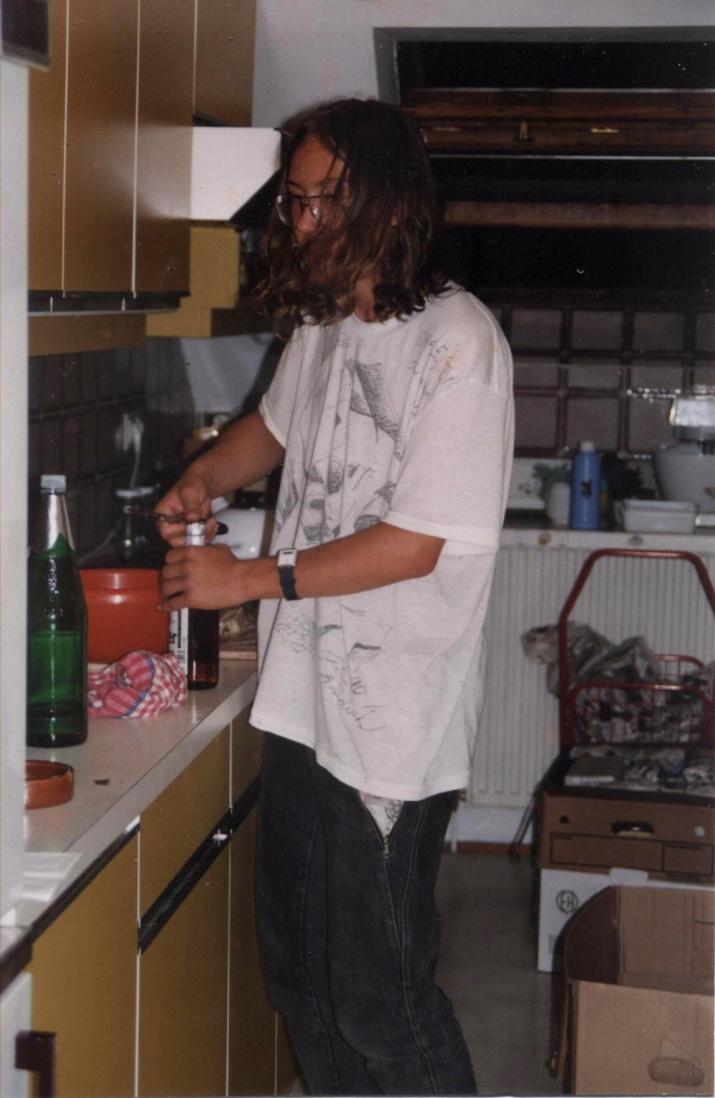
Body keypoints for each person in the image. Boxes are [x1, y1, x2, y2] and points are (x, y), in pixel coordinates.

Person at [157, 97, 514, 1097]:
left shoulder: (458, 343)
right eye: (299, 202)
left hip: (390, 729)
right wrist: (203, 478)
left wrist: (248, 577)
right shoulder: (322, 328)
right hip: (301, 707)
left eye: (327, 202)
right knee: (302, 983)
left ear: (390, 204)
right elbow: (272, 431)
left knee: (380, 1002)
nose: (306, 222)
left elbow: (414, 544)